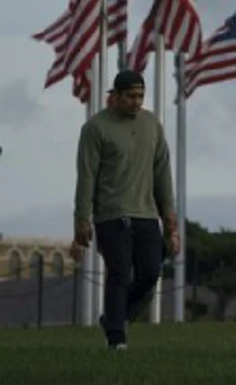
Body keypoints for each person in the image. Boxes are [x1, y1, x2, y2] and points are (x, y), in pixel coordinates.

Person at [71, 69, 179, 350]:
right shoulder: (95, 128)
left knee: (150, 273)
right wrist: (82, 219)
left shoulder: (152, 125)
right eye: (130, 96)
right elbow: (86, 176)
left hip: (146, 214)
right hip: (110, 215)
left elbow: (162, 172)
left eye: (141, 95)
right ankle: (116, 338)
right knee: (119, 273)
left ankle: (114, 318)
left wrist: (169, 218)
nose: (137, 101)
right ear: (115, 96)